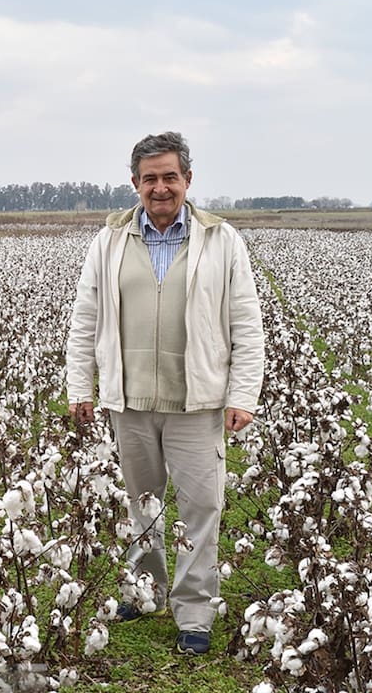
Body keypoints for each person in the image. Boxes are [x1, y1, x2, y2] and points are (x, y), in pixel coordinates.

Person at [65, 131, 264, 655]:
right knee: (141, 505)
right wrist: (79, 385)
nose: (160, 188)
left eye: (169, 177)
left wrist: (242, 394)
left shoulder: (220, 240)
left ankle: (194, 613)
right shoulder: (108, 241)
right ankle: (145, 591)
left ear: (188, 181)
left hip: (196, 404)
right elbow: (86, 319)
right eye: (149, 178)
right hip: (127, 403)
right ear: (135, 183)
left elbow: (247, 322)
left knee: (201, 509)